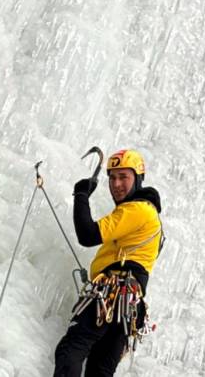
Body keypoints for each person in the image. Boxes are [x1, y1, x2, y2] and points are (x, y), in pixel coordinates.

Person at [53, 149, 163, 377]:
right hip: (128, 305)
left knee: (71, 349)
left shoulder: (138, 209)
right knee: (100, 369)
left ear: (138, 179)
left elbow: (88, 234)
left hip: (112, 292)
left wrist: (81, 195)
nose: (116, 184)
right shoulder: (147, 214)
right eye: (112, 177)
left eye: (124, 177)